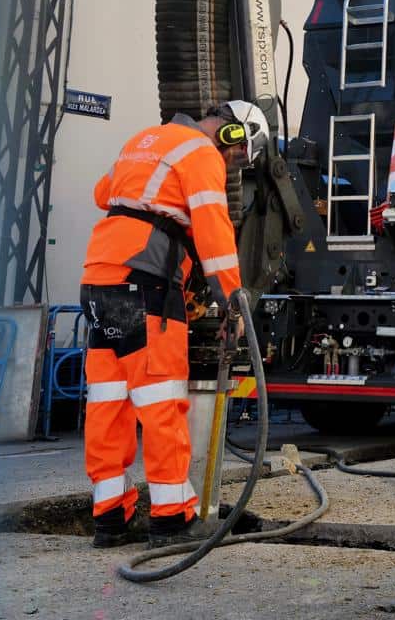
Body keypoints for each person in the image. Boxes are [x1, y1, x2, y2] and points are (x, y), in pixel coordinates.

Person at [79, 100, 270, 549]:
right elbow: (214, 230)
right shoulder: (200, 153)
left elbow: (102, 194)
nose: (232, 163)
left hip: (101, 280)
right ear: (231, 133)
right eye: (238, 155)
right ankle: (169, 518)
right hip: (147, 282)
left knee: (110, 400)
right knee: (161, 399)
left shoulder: (145, 140)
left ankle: (110, 517)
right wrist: (233, 301)